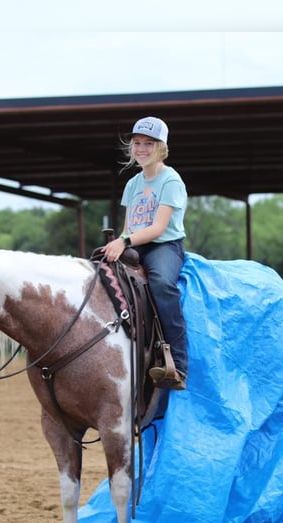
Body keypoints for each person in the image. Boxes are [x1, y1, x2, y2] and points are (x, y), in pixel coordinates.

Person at [101, 116, 189, 391]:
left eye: (148, 144)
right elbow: (130, 226)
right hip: (135, 243)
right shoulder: (132, 184)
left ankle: (178, 363)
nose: (140, 149)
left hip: (163, 245)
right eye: (137, 143)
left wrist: (124, 241)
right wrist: (120, 245)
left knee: (162, 284)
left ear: (161, 147)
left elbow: (158, 228)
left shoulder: (170, 180)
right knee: (101, 276)